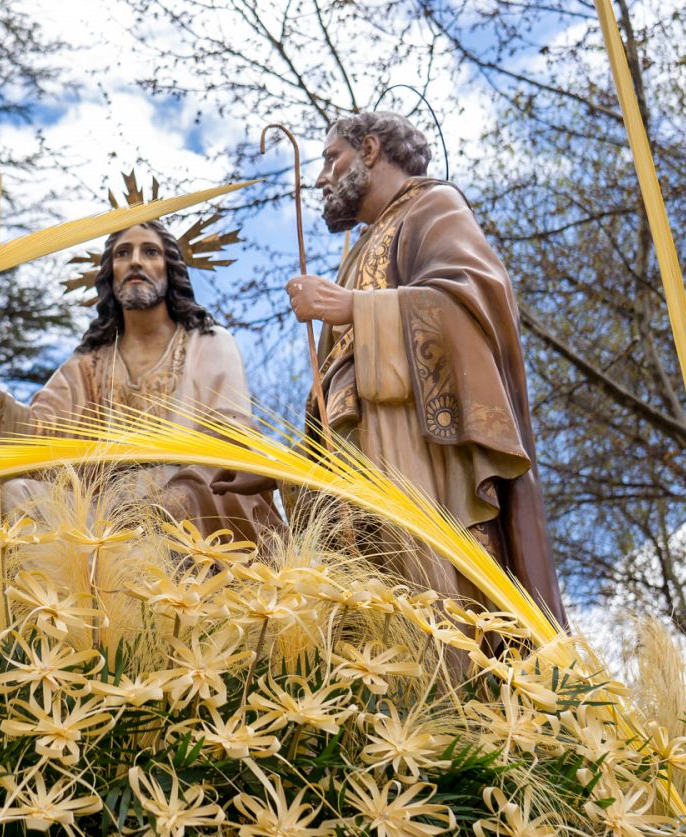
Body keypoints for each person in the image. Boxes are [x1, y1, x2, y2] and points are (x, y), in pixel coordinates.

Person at [224, 111, 566, 625]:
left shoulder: (434, 204)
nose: (320, 178)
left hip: (414, 450)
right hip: (354, 461)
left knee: (428, 600)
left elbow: (475, 300)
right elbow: (335, 395)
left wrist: (353, 307)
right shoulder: (361, 248)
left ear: (369, 150)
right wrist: (282, 471)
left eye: (331, 159)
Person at [0, 219, 281, 544]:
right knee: (16, 494)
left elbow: (230, 435)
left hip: (185, 504)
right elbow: (35, 438)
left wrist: (173, 496)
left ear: (170, 268)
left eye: (150, 252)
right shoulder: (89, 365)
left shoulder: (208, 342)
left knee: (169, 508)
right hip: (100, 514)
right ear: (110, 273)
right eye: (123, 253)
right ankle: (68, 584)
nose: (135, 262)